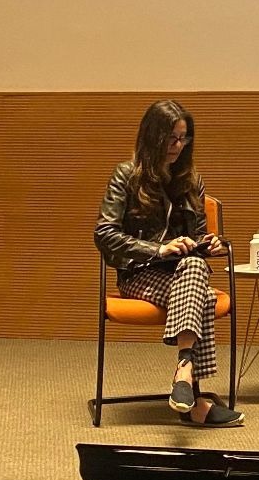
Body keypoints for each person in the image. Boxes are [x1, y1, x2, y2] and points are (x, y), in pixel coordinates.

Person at [94, 98, 243, 428]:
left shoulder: (191, 180)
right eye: (172, 138)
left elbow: (200, 237)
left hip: (183, 272)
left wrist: (212, 244)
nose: (178, 146)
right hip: (140, 275)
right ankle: (193, 396)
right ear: (153, 136)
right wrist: (159, 250)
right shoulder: (126, 176)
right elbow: (104, 234)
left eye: (184, 138)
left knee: (193, 267)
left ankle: (184, 373)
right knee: (201, 294)